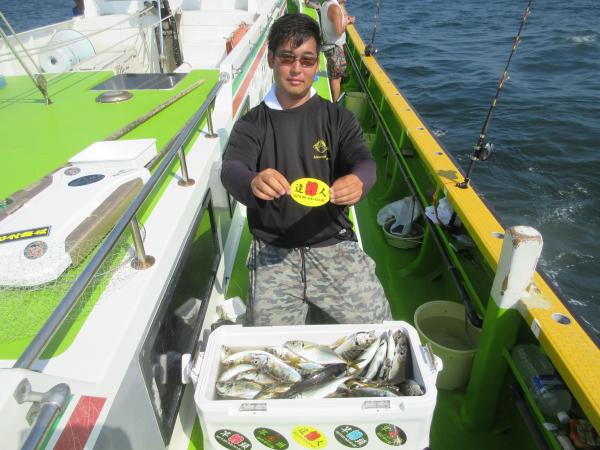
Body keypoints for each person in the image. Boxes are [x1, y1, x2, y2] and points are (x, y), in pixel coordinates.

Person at [220, 13, 391, 326]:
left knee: (378, 327)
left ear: (316, 64)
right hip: (272, 250)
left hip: (333, 243)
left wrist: (359, 180)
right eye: (287, 58)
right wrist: (252, 181)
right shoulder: (251, 124)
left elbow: (364, 162)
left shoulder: (338, 119)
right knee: (269, 344)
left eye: (307, 60)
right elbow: (232, 168)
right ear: (271, 59)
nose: (297, 68)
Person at [321, 0, 355, 102]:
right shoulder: (335, 8)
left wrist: (344, 18)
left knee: (334, 76)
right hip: (335, 48)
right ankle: (334, 104)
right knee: (336, 78)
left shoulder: (326, 3)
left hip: (329, 46)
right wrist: (347, 22)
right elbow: (339, 31)